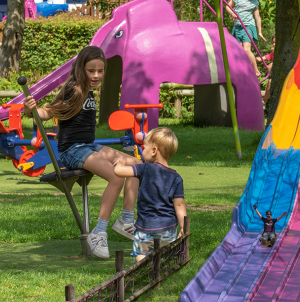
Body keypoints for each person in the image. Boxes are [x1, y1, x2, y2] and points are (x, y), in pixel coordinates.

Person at [23, 46, 142, 259]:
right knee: (116, 177)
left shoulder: (87, 90)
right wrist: (30, 109)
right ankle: (99, 232)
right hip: (72, 150)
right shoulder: (74, 90)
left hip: (89, 145)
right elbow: (47, 113)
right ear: (81, 69)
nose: (96, 75)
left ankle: (126, 220)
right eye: (91, 71)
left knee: (136, 165)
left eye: (100, 70)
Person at [114, 127, 187, 262]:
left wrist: (119, 163)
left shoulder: (144, 168)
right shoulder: (176, 178)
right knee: (164, 254)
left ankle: (143, 259)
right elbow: (179, 204)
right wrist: (183, 226)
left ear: (154, 151)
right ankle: (161, 261)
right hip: (167, 228)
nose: (142, 150)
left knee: (141, 253)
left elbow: (119, 172)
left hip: (145, 228)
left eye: (144, 147)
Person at [226, 0, 267, 78]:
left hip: (248, 26)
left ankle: (256, 70)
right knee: (239, 50)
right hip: (238, 27)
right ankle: (242, 69)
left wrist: (260, 31)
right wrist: (232, 13)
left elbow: (257, 17)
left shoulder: (255, 2)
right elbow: (227, 6)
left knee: (246, 49)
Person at [255, 34, 275, 105]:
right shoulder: (273, 53)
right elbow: (261, 58)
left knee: (270, 82)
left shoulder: (283, 53)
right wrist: (252, 59)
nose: (274, 44)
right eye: (273, 42)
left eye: (275, 42)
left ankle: (264, 101)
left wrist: (272, 64)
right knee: (270, 82)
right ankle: (264, 101)